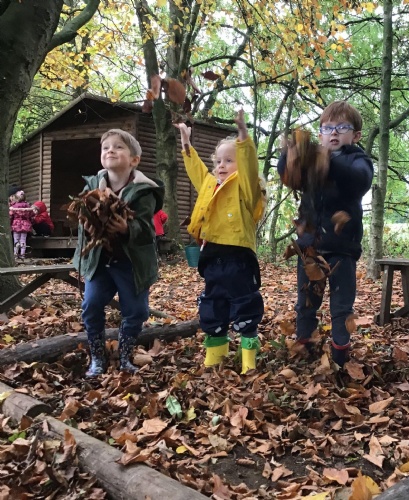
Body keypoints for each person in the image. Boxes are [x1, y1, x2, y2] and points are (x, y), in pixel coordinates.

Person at [278, 101, 374, 368]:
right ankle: (305, 350)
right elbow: (289, 175)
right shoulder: (311, 162)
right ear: (320, 133)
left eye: (342, 127)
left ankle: (340, 358)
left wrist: (327, 162)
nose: (333, 133)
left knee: (341, 307)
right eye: (327, 128)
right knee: (306, 303)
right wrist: (289, 155)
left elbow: (359, 180)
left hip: (342, 249)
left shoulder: (358, 160)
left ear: (355, 135)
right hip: (310, 249)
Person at [174, 110, 266, 374]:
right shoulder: (210, 185)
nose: (221, 165)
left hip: (239, 257)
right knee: (213, 304)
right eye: (218, 161)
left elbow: (249, 168)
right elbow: (197, 171)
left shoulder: (246, 189)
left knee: (245, 304)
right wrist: (186, 143)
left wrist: (243, 136)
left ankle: (248, 358)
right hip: (212, 255)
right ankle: (216, 356)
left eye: (229, 160)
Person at [73, 129, 165, 377]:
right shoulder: (92, 186)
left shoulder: (144, 191)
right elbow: (83, 219)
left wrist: (127, 228)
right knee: (91, 305)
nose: (110, 150)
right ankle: (97, 357)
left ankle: (125, 356)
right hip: (99, 260)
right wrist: (88, 227)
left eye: (118, 147)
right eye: (106, 148)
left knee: (136, 310)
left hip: (132, 263)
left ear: (134, 160)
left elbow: (147, 230)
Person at [9, 190, 35, 259]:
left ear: (16, 198)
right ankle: (22, 254)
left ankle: (16, 254)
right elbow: (32, 215)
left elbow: (10, 215)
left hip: (16, 225)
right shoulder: (28, 206)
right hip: (25, 225)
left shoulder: (14, 206)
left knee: (16, 240)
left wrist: (10, 224)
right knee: (23, 240)